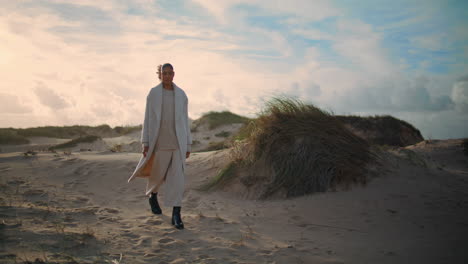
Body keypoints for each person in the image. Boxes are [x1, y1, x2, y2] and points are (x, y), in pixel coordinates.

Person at [128, 63, 192, 230]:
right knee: (157, 175)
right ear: (160, 75)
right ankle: (153, 196)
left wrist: (188, 144)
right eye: (164, 73)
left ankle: (176, 214)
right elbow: (147, 118)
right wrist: (145, 142)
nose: (167, 76)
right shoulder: (154, 93)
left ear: (174, 74)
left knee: (177, 181)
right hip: (160, 143)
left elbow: (185, 120)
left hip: (178, 143)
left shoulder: (181, 95)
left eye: (170, 73)